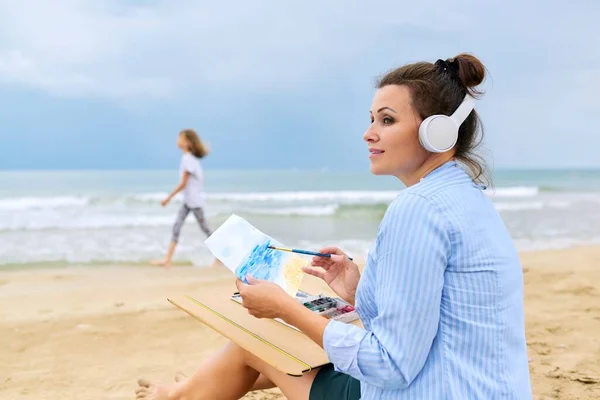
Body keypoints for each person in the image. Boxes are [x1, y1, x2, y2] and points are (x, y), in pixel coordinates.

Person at [136, 53, 532, 399]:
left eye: (387, 120)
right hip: (477, 385)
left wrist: (287, 309)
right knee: (261, 353)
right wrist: (357, 290)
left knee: (253, 342)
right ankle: (183, 391)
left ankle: (178, 395)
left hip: (429, 389)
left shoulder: (418, 209)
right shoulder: (468, 197)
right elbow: (436, 317)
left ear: (437, 132)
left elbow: (390, 366)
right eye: (372, 119)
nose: (368, 132)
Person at [151, 129, 213, 269]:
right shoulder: (189, 159)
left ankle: (220, 258)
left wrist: (168, 198)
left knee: (206, 230)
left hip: (194, 202)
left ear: (187, 143)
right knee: (177, 227)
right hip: (189, 201)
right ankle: (167, 259)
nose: (177, 141)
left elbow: (183, 183)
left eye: (180, 138)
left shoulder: (187, 160)